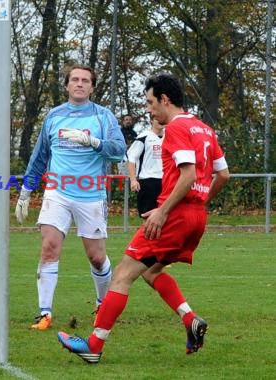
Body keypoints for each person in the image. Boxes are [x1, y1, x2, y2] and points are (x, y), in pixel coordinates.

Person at [57, 73, 230, 363]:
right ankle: (190, 319)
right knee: (150, 272)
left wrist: (164, 210)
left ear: (165, 100)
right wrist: (197, 205)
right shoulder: (204, 129)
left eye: (150, 103)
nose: (149, 110)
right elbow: (223, 174)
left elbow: (187, 175)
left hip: (173, 217)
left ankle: (93, 345)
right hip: (196, 217)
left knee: (122, 275)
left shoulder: (174, 128)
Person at [15, 64, 126, 330]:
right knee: (49, 247)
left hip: (91, 194)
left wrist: (93, 142)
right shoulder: (54, 116)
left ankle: (102, 306)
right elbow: (40, 156)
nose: (79, 84)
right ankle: (44, 313)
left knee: (97, 257)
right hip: (57, 192)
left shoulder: (103, 116)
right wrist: (26, 192)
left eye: (85, 80)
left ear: (92, 86)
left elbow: (119, 150)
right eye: (74, 79)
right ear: (66, 84)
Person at [127, 115, 165, 216]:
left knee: (166, 215)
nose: (161, 120)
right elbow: (131, 158)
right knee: (147, 216)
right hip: (148, 181)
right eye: (157, 118)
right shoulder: (144, 137)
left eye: (162, 118)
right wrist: (133, 180)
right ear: (151, 121)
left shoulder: (170, 137)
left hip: (166, 180)